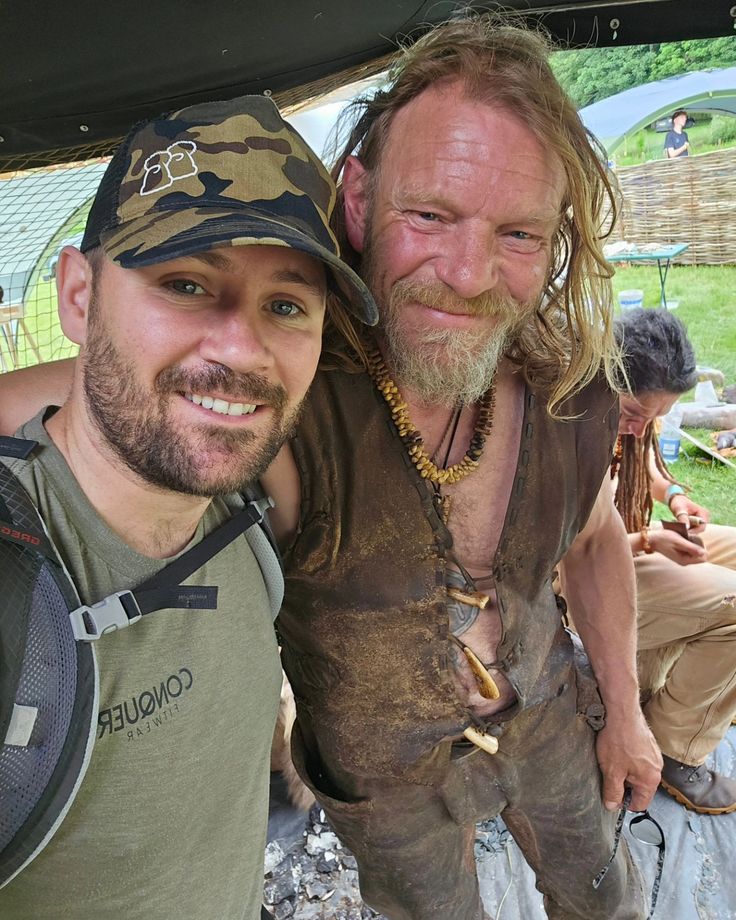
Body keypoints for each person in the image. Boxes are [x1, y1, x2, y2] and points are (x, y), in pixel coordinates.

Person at [0, 16, 661, 920]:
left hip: (549, 720)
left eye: (517, 236)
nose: (468, 274)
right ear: (357, 200)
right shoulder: (277, 391)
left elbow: (592, 543)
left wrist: (624, 714)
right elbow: (106, 384)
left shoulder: (572, 399)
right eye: (428, 216)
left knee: (600, 896)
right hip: (386, 786)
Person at [0, 94, 375, 920]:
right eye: (185, 282)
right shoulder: (15, 589)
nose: (241, 349)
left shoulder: (247, 509)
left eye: (285, 305)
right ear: (77, 298)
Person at [611, 308, 736, 815]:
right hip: (582, 577)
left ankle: (712, 686)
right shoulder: (566, 424)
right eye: (632, 414)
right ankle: (673, 745)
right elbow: (572, 546)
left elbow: (643, 466)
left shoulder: (625, 418)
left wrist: (677, 499)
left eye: (653, 418)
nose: (640, 430)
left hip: (634, 540)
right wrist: (649, 541)